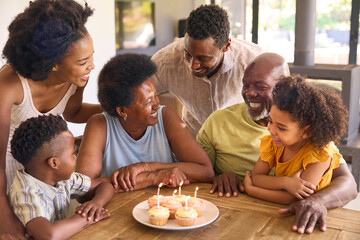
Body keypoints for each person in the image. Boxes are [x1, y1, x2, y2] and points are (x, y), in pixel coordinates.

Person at [197, 52, 357, 234]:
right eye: (245, 84)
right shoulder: (220, 121)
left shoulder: (313, 136)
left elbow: (348, 185)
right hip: (239, 212)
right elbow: (201, 170)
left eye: (261, 86)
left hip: (292, 218)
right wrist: (217, 177)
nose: (249, 92)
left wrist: (317, 200)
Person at [0, 0, 102, 238]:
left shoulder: (76, 79)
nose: (92, 66)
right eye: (82, 62)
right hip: (9, 178)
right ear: (54, 63)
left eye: (91, 56)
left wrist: (114, 108)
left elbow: (72, 113)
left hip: (44, 176)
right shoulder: (9, 84)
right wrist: (4, 217)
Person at [76, 53, 214, 192]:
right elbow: (82, 189)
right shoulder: (99, 125)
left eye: (156, 95)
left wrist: (147, 167)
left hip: (164, 208)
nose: (156, 105)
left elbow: (206, 171)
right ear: (122, 111)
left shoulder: (165, 117)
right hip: (117, 210)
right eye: (148, 101)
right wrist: (152, 177)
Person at [151, 4, 262, 135]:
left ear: (226, 46)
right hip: (194, 137)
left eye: (203, 58)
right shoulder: (166, 61)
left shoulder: (253, 61)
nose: (193, 65)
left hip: (238, 140)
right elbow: (136, 94)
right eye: (188, 54)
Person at [243, 75, 348, 205]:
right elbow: (257, 177)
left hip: (316, 215)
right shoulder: (274, 143)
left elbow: (294, 198)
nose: (271, 129)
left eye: (281, 128)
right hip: (277, 208)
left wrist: (252, 190)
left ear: (307, 131)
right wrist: (286, 182)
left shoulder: (318, 155)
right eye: (270, 121)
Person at [9, 114, 113, 240]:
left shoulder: (62, 179)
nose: (76, 155)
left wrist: (96, 203)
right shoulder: (26, 193)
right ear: (54, 163)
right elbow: (49, 235)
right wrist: (86, 217)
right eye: (72, 153)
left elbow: (104, 185)